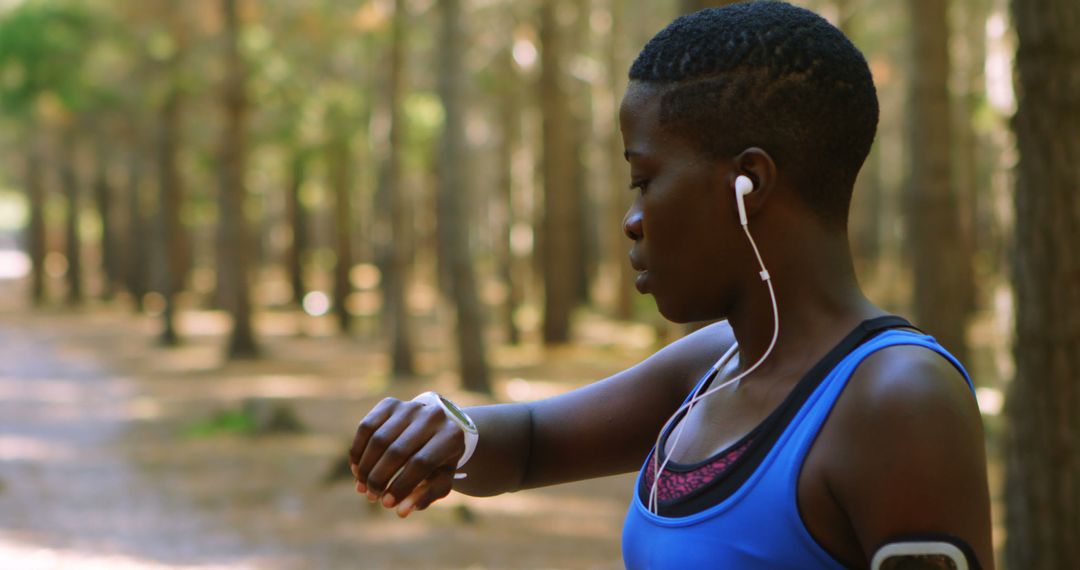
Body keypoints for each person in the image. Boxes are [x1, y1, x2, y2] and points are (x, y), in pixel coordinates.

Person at [349, 3, 994, 568]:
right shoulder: (713, 363)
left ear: (751, 184)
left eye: (643, 180)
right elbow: (532, 446)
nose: (631, 221)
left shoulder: (898, 400)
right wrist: (447, 430)